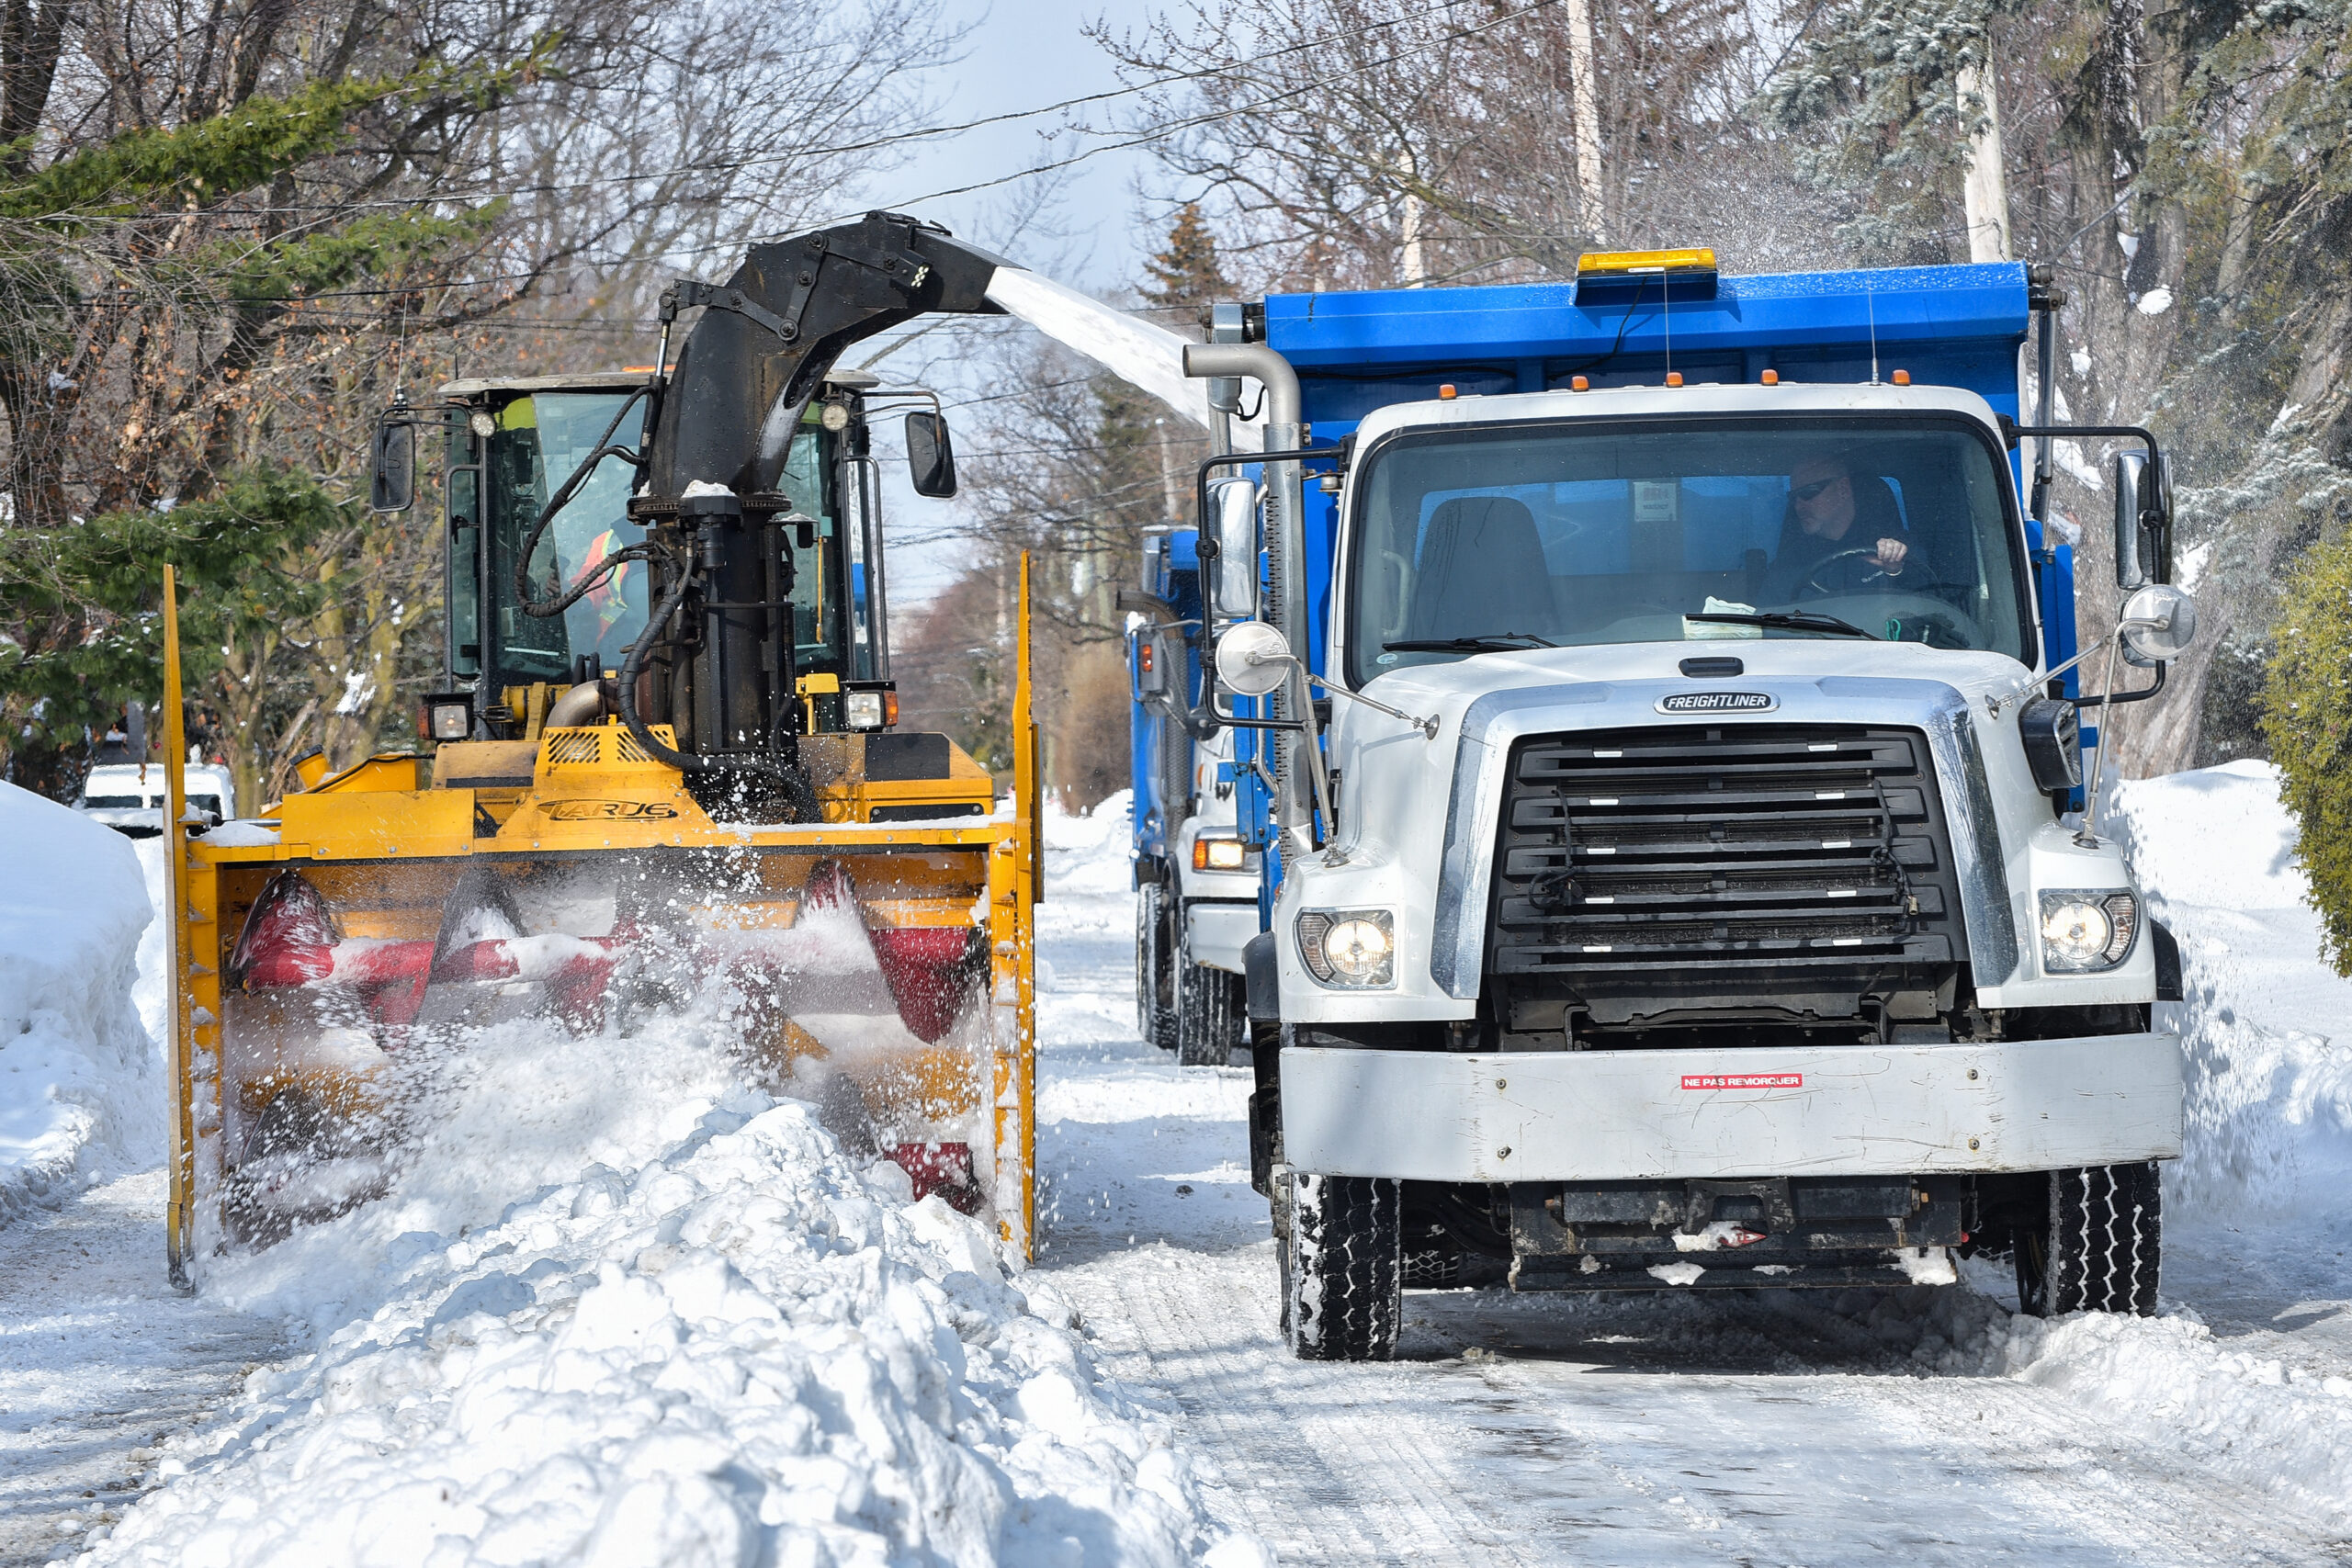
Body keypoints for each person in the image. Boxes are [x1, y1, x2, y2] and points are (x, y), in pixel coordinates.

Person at [1761, 452, 1909, 604]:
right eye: (1794, 497)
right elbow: (1767, 615)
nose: (1799, 505)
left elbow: (1925, 608)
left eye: (1808, 492)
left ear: (1843, 489)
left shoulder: (1898, 550)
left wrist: (1894, 571)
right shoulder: (1789, 564)